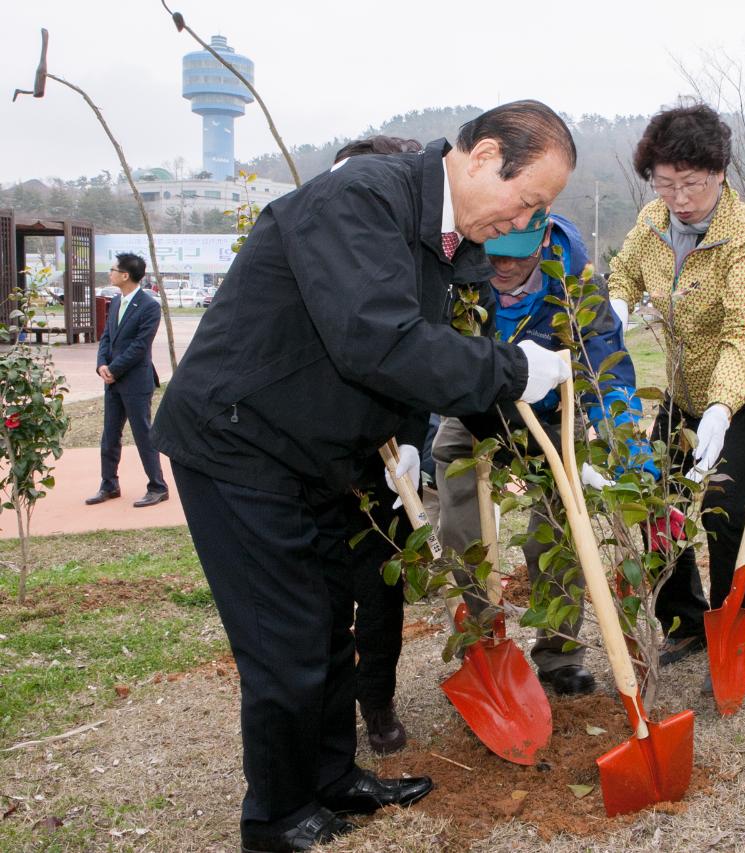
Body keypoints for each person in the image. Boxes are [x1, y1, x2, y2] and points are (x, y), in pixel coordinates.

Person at [151, 101, 575, 853]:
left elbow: (415, 360)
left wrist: (407, 438)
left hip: (318, 450)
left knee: (327, 626)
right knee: (284, 635)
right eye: (529, 198)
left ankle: (333, 776)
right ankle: (278, 815)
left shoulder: (440, 239)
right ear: (481, 157)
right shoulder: (363, 198)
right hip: (241, 439)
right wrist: (511, 369)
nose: (525, 218)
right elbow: (377, 339)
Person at [433, 208, 651, 696]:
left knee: (556, 532)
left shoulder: (575, 286)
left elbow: (605, 372)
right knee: (463, 533)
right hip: (471, 410)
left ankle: (559, 653)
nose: (500, 266)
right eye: (492, 254)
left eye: (514, 257)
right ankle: (482, 644)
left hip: (549, 414)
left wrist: (623, 446)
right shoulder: (461, 273)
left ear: (541, 244)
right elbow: (425, 353)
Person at [608, 103, 745, 682]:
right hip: (682, 392)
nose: (679, 197)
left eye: (692, 183)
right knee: (656, 500)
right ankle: (683, 619)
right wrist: (613, 304)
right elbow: (625, 273)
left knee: (725, 509)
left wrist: (721, 405)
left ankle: (741, 632)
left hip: (744, 396)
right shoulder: (652, 221)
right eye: (666, 183)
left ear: (720, 173)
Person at [327, 135, 432, 756]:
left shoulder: (412, 260)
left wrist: (413, 439)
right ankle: (333, 702)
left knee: (381, 588)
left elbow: (420, 359)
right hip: (319, 461)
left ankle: (379, 699)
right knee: (325, 595)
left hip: (387, 466)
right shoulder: (315, 251)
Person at [85, 252, 169, 508]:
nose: (109, 273)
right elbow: (107, 337)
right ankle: (109, 485)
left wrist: (114, 369)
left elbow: (140, 346)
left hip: (135, 382)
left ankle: (157, 487)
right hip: (112, 381)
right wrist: (102, 365)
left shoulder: (149, 306)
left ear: (125, 275)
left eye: (113, 269)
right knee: (110, 435)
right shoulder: (117, 301)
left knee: (144, 435)